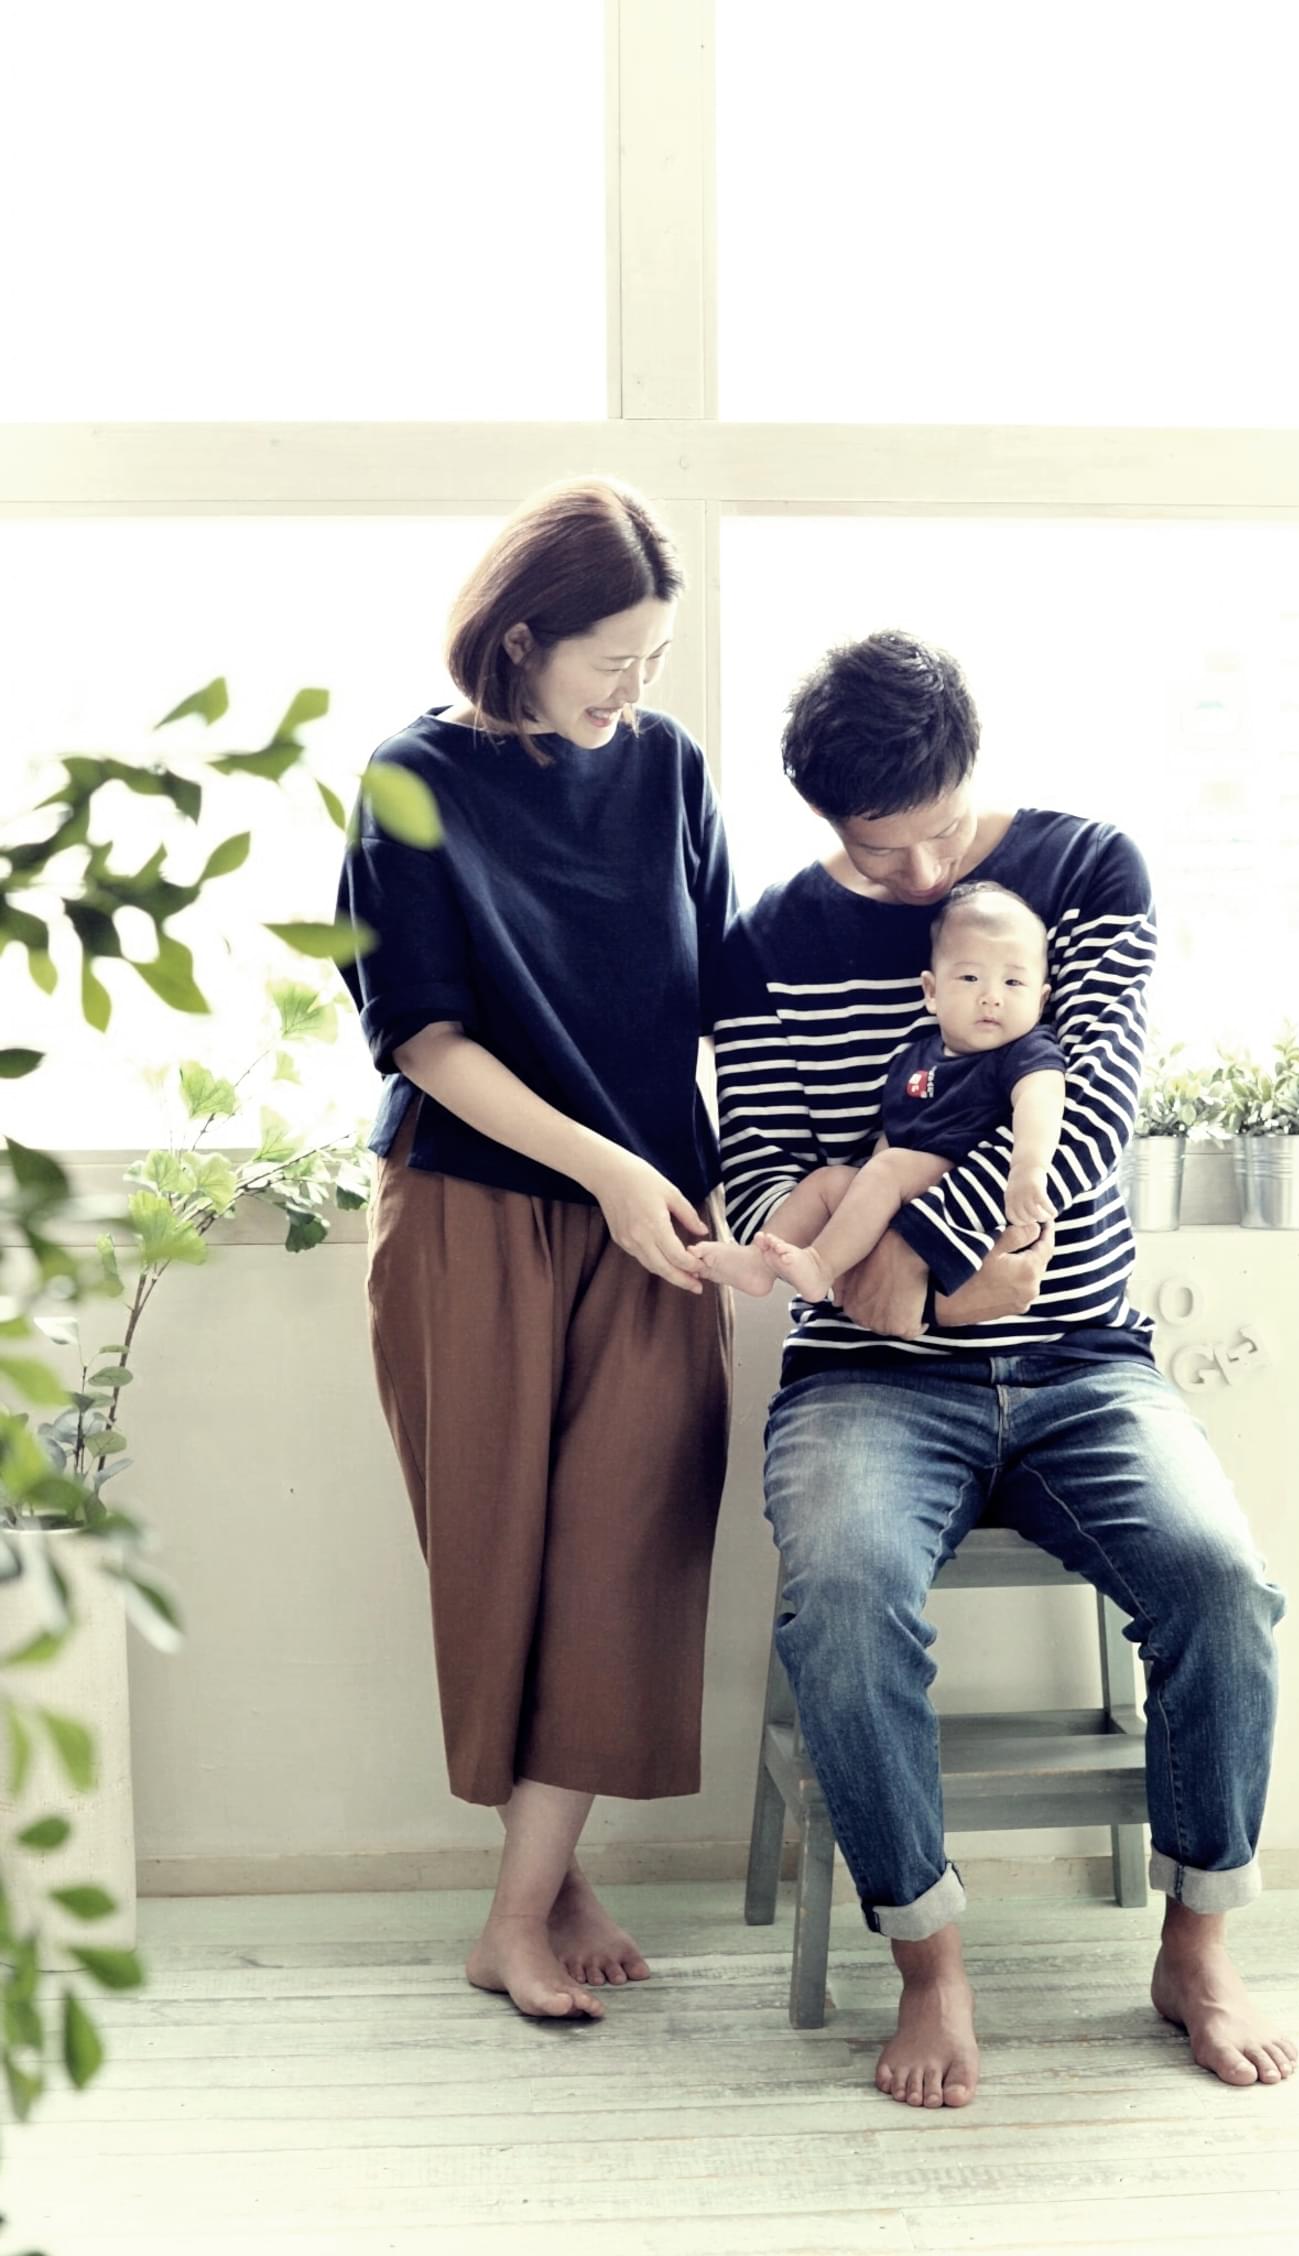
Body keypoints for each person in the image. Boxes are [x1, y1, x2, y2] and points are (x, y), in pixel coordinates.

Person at [714, 629, 1294, 2109]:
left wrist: (918, 1257)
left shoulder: (1090, 871)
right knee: (846, 1603)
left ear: (971, 771)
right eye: (877, 850)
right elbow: (758, 1165)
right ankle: (931, 1967)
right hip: (863, 1381)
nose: (917, 879)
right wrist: (870, 1272)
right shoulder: (768, 938)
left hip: (1087, 1364)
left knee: (1221, 1586)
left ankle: (1198, 1949)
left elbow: (1083, 1117)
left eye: (935, 837)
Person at [337, 478, 734, 2023]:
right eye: (611, 659)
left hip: (656, 1224)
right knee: (503, 1563)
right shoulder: (411, 779)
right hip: (472, 1205)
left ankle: (511, 1917)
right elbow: (422, 1036)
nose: (633, 690)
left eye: (653, 661)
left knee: (622, 1560)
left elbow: (729, 998)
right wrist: (608, 1168)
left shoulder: (669, 768)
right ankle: (546, 1892)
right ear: (521, 638)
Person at [697, 880, 1064, 1302]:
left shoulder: (1025, 1050)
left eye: (1013, 983)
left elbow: (1041, 1101)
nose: (991, 997)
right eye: (969, 977)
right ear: (932, 992)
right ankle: (758, 1265)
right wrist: (865, 1195)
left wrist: (1028, 1170)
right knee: (829, 1182)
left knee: (888, 1169)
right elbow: (896, 1130)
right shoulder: (915, 1059)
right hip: (906, 1187)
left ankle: (820, 1266)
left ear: (1041, 1001)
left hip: (970, 1186)